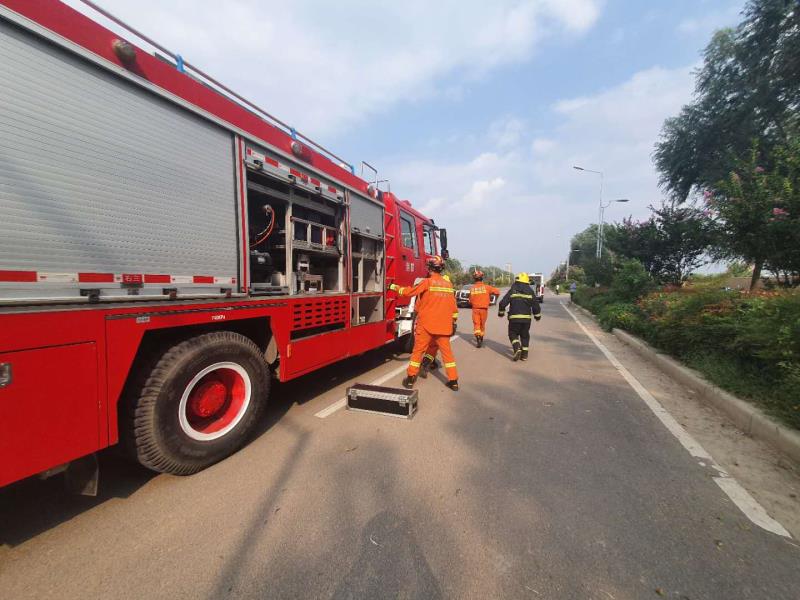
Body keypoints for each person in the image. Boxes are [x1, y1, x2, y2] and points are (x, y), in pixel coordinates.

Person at [390, 256, 459, 390]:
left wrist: (393, 287)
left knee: (417, 352)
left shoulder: (427, 282)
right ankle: (454, 382)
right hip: (444, 327)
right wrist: (453, 322)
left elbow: (408, 292)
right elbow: (453, 308)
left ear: (429, 268)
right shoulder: (449, 285)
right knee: (448, 356)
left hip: (426, 326)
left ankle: (410, 379)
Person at [498, 272, 541, 362]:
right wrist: (537, 316)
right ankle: (524, 356)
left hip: (514, 318)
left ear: (517, 280)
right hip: (526, 319)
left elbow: (502, 303)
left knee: (512, 333)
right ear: (526, 281)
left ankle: (517, 347)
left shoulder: (513, 289)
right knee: (525, 336)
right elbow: (536, 305)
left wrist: (501, 313)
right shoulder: (530, 291)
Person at [468, 270, 500, 348]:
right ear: (482, 278)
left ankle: (478, 337)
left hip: (475, 309)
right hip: (484, 310)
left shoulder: (472, 288)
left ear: (474, 279)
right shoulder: (487, 287)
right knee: (482, 324)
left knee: (476, 324)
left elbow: (470, 300)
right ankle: (481, 336)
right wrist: (494, 299)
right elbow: (497, 292)